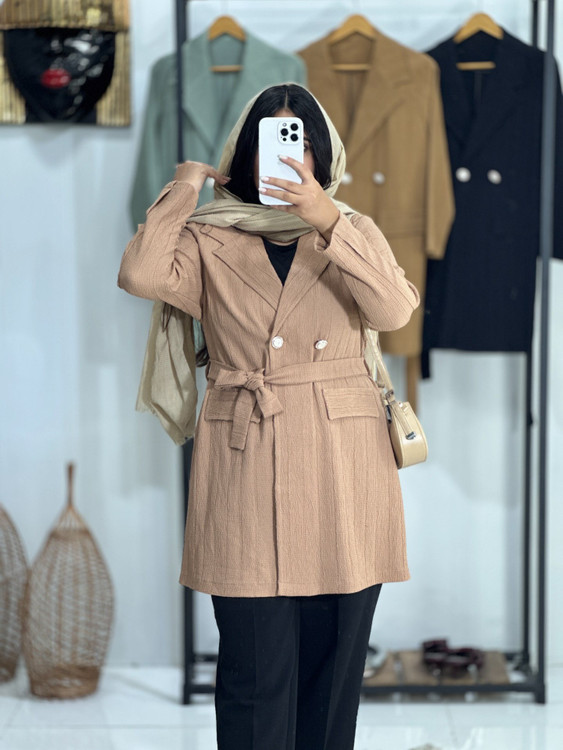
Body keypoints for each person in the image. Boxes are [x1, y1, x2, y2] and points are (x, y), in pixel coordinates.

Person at [118, 83, 420, 750]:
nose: (288, 154)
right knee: (252, 673)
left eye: (301, 141)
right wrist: (185, 187)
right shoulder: (208, 235)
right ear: (244, 152)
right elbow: (141, 275)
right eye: (271, 139)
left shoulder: (352, 230)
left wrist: (326, 219)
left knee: (331, 675)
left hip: (344, 464)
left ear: (321, 153)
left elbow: (395, 312)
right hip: (244, 455)